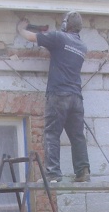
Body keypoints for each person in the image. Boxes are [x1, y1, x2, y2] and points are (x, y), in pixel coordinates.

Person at [17, 11, 91, 183]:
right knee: (77, 136)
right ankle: (83, 172)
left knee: (52, 134)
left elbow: (32, 37)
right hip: (76, 98)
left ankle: (53, 174)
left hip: (58, 95)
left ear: (66, 25)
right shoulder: (82, 46)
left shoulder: (59, 37)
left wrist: (21, 29)